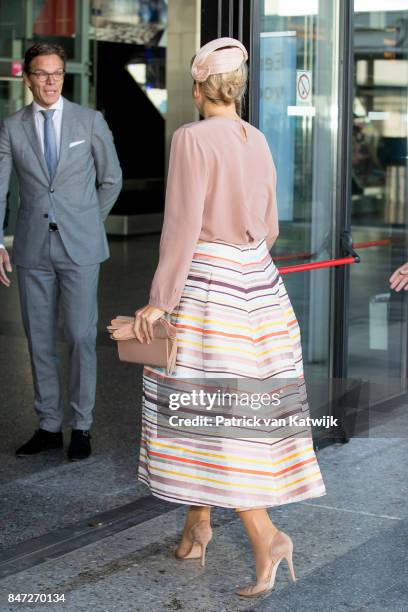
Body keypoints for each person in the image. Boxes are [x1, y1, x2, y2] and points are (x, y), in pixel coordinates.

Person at [132, 37, 326, 598]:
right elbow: (269, 225)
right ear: (236, 88)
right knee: (233, 407)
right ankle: (198, 525)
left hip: (210, 288)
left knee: (210, 410)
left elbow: (182, 225)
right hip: (260, 287)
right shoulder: (257, 138)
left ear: (197, 89)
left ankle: (267, 539)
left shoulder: (191, 138)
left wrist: (160, 298)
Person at [0, 43, 122, 461]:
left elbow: (111, 180)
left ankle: (81, 425)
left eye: (57, 74)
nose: (50, 81)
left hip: (81, 248)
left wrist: (87, 221)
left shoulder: (89, 122)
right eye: (42, 74)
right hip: (33, 247)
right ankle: (49, 425)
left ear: (63, 77)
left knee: (80, 335)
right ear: (28, 78)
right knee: (38, 340)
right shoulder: (12, 126)